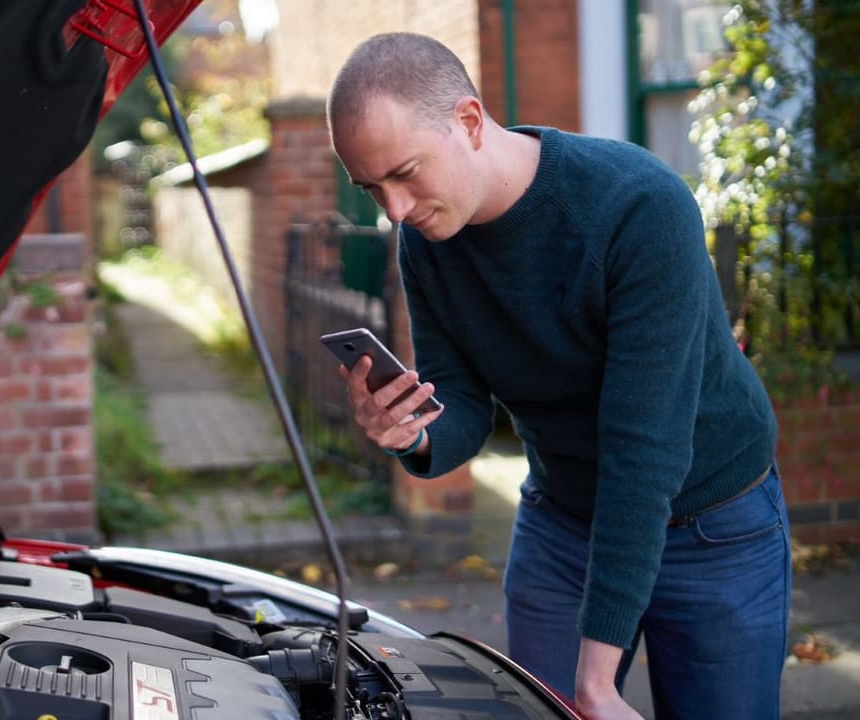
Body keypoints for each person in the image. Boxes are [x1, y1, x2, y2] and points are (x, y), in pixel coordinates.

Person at [327, 33, 789, 720]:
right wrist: (410, 433)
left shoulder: (637, 207)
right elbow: (463, 404)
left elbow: (645, 447)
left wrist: (596, 681)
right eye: (372, 188)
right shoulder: (427, 241)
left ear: (470, 121)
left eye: (405, 173)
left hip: (710, 525)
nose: (393, 210)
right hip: (565, 520)